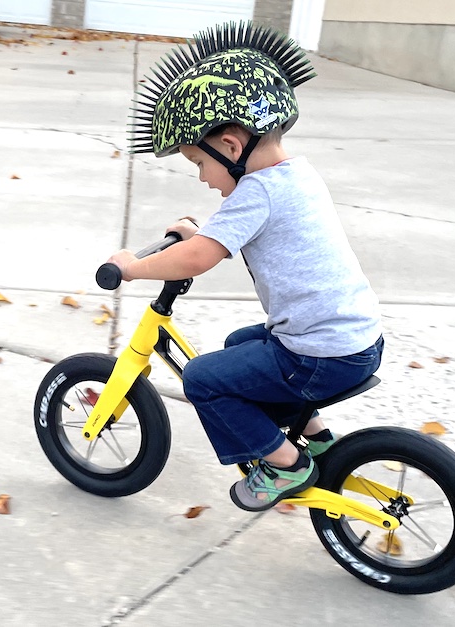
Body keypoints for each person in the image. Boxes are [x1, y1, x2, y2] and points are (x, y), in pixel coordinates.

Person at [106, 21, 383, 512]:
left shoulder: (255, 192)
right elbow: (226, 237)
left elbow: (199, 257)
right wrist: (200, 237)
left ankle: (285, 465)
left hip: (318, 355)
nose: (202, 177)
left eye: (198, 162)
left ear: (231, 147)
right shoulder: (294, 174)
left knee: (204, 380)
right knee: (239, 345)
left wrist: (131, 267)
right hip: (354, 339)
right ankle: (314, 436)